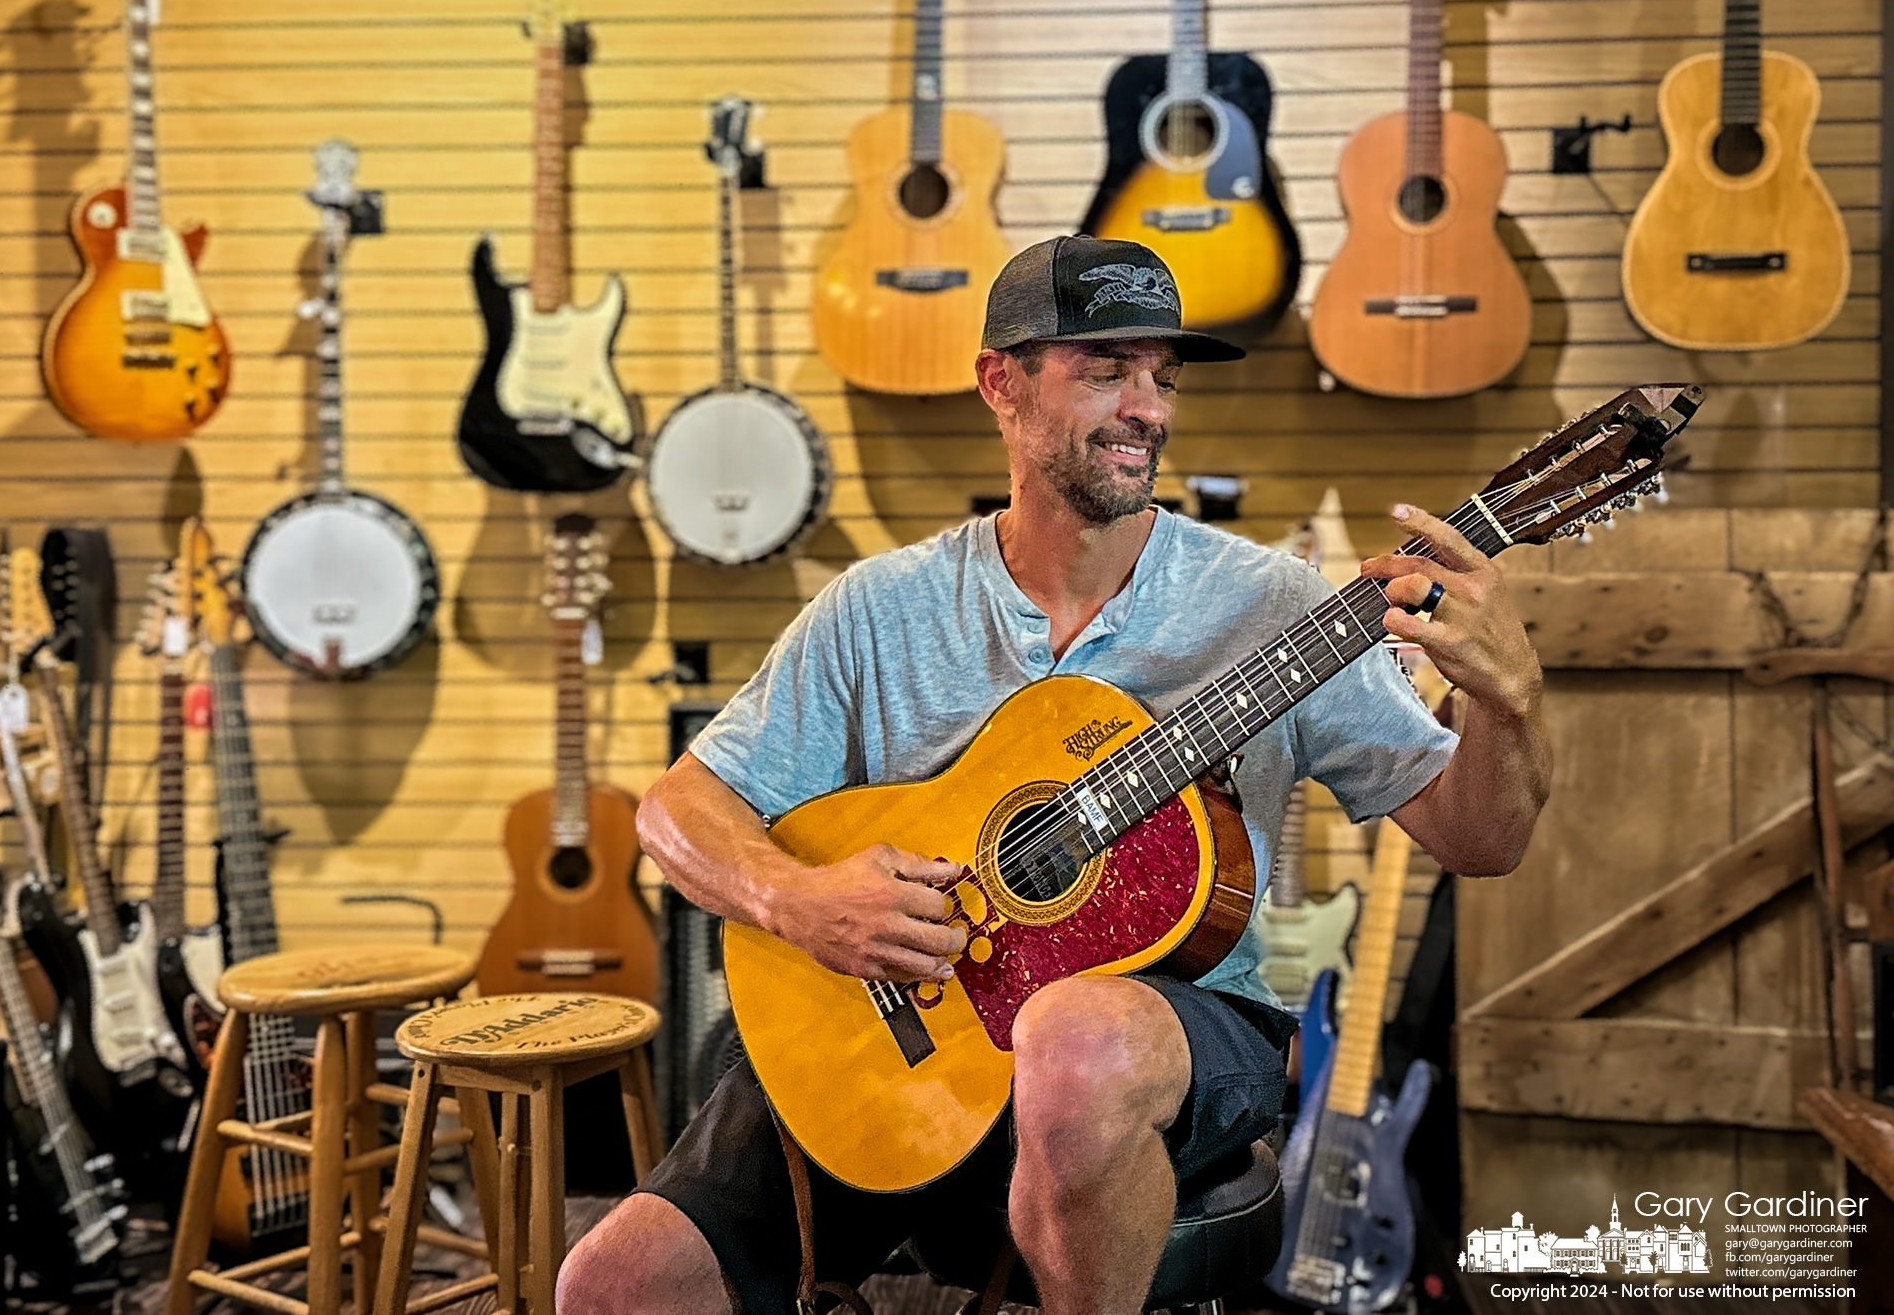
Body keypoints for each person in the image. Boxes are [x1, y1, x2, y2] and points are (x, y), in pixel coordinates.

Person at [558, 235, 1552, 1315]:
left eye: (1161, 377)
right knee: (609, 1283)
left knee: (1070, 1038)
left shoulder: (1277, 607)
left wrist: (1508, 704)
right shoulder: (879, 608)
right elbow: (675, 812)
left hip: (1169, 1032)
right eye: (1105, 370)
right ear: (1002, 382)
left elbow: (1482, 841)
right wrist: (798, 899)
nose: (1148, 408)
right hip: (907, 1035)